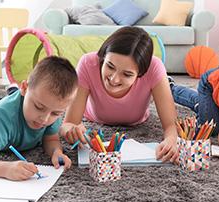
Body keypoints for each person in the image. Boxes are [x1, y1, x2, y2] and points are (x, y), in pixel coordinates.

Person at [61, 26, 178, 163]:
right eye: (110, 66)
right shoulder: (87, 63)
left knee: (173, 91)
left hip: (138, 121)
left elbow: (171, 125)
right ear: (103, 57)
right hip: (93, 118)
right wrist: (71, 131)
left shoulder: (155, 67)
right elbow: (68, 123)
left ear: (140, 74)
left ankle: (172, 87)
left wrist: (171, 140)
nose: (114, 79)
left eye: (127, 74)